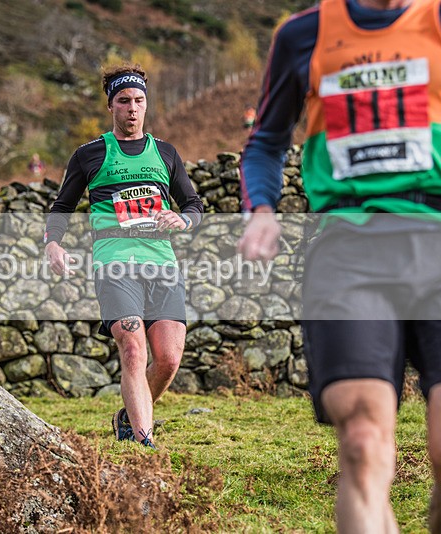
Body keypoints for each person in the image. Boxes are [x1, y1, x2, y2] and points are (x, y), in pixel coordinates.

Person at [237, 1, 441, 532]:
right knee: (362, 441)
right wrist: (261, 210)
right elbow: (265, 143)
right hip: (350, 250)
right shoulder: (304, 35)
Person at [45, 64, 204, 449]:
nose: (132, 108)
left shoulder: (165, 153)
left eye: (138, 100)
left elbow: (194, 204)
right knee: (133, 347)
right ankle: (143, 442)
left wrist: (182, 219)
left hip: (162, 263)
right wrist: (53, 242)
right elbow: (62, 206)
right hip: (114, 263)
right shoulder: (89, 154)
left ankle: (127, 418)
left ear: (146, 105)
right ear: (111, 106)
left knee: (168, 359)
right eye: (123, 100)